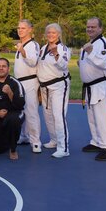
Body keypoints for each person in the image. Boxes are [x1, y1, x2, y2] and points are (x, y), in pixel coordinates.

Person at [79, 17, 106, 161]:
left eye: (93, 27)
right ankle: (97, 141)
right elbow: (90, 63)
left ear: (100, 28)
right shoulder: (90, 44)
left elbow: (104, 63)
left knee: (104, 116)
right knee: (93, 117)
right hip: (90, 86)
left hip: (103, 85)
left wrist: (89, 53)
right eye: (88, 27)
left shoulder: (104, 43)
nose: (89, 29)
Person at [37, 23, 71, 159]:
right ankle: (54, 140)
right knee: (48, 115)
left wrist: (56, 53)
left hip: (58, 86)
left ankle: (64, 147)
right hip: (44, 87)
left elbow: (63, 65)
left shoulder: (63, 48)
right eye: (49, 32)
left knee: (58, 115)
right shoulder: (43, 48)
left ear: (59, 34)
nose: (51, 35)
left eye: (54, 32)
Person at [14, 19, 42, 153]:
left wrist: (23, 52)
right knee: (21, 111)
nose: (20, 30)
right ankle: (24, 136)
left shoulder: (33, 45)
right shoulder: (21, 45)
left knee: (31, 111)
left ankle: (35, 141)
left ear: (30, 29)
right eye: (19, 28)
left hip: (30, 81)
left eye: (23, 28)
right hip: (19, 82)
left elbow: (33, 61)